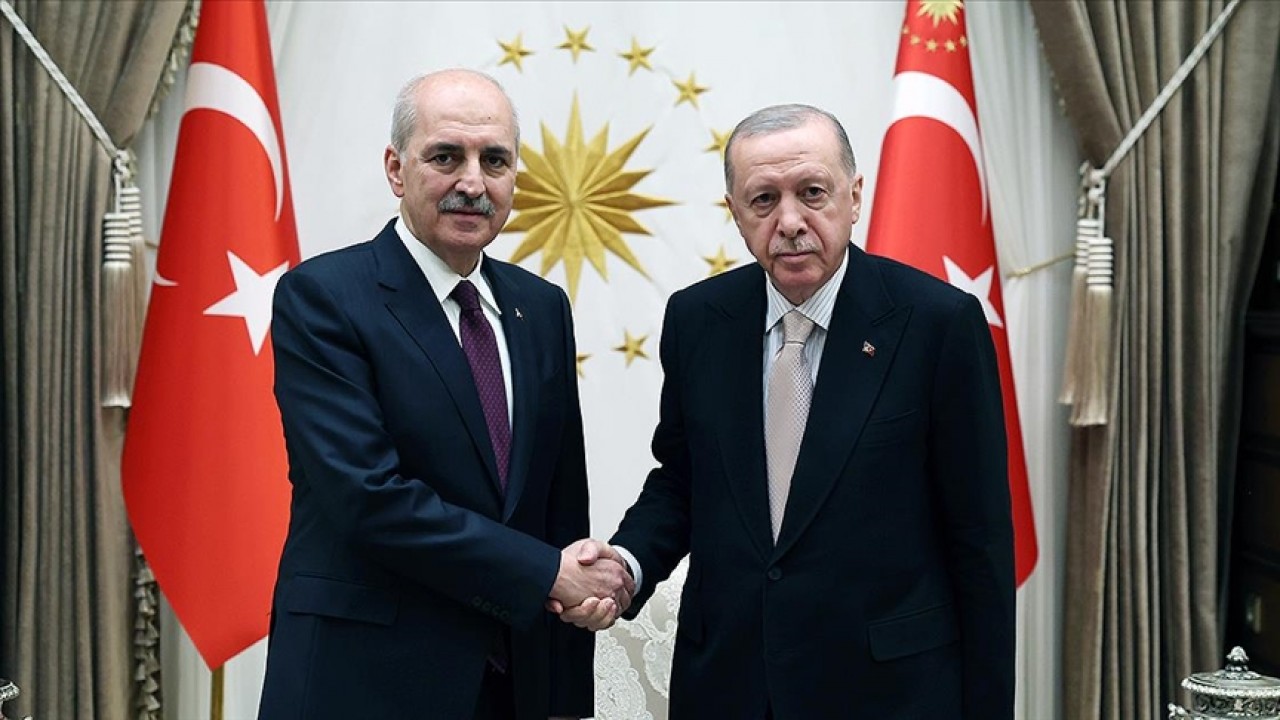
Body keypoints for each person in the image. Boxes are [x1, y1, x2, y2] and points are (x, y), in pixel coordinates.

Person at [565, 104, 1016, 718]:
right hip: (728, 687)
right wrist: (626, 564)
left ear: (854, 197)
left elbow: (979, 543)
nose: (791, 222)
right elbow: (683, 481)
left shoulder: (938, 324)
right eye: (764, 200)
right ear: (735, 212)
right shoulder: (698, 319)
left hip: (888, 693)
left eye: (812, 193)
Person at [258, 68, 632, 720]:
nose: (473, 183)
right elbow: (369, 497)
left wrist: (566, 688)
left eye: (495, 161)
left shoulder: (541, 307)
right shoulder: (323, 298)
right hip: (363, 681)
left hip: (512, 684)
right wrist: (547, 573)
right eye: (446, 157)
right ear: (396, 170)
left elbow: (557, 503)